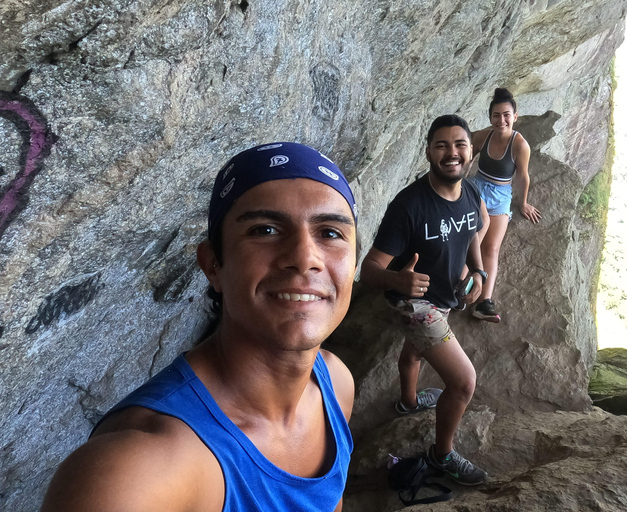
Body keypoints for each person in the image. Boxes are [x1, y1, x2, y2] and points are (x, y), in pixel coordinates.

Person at [41, 143, 358, 512]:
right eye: (265, 229)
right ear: (212, 266)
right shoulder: (138, 467)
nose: (305, 258)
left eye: (331, 233)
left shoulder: (335, 384)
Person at [361, 115, 489, 486]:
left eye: (459, 144)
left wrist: (478, 273)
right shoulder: (409, 206)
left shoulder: (471, 192)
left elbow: (473, 234)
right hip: (415, 304)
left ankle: (409, 402)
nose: (452, 153)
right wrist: (397, 279)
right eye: (442, 145)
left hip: (445, 295)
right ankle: (441, 455)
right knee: (464, 382)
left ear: (470, 151)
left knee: (415, 351)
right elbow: (369, 269)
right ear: (429, 152)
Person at [470, 87, 541, 323]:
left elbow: (523, 176)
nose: (502, 120)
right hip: (477, 189)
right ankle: (459, 285)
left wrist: (523, 203)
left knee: (491, 248)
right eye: (496, 115)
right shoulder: (484, 136)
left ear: (515, 116)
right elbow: (466, 155)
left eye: (506, 115)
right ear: (490, 117)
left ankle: (484, 302)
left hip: (501, 194)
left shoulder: (520, 145)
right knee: (472, 238)